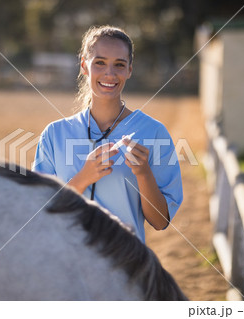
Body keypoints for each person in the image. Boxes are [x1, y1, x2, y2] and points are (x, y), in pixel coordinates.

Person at [33, 25, 182, 242]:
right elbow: (41, 212)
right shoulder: (54, 134)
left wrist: (143, 173)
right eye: (100, 63)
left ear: (129, 70)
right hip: (66, 264)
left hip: (125, 263)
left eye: (119, 65)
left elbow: (160, 222)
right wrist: (83, 178)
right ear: (84, 66)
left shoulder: (154, 132)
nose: (110, 74)